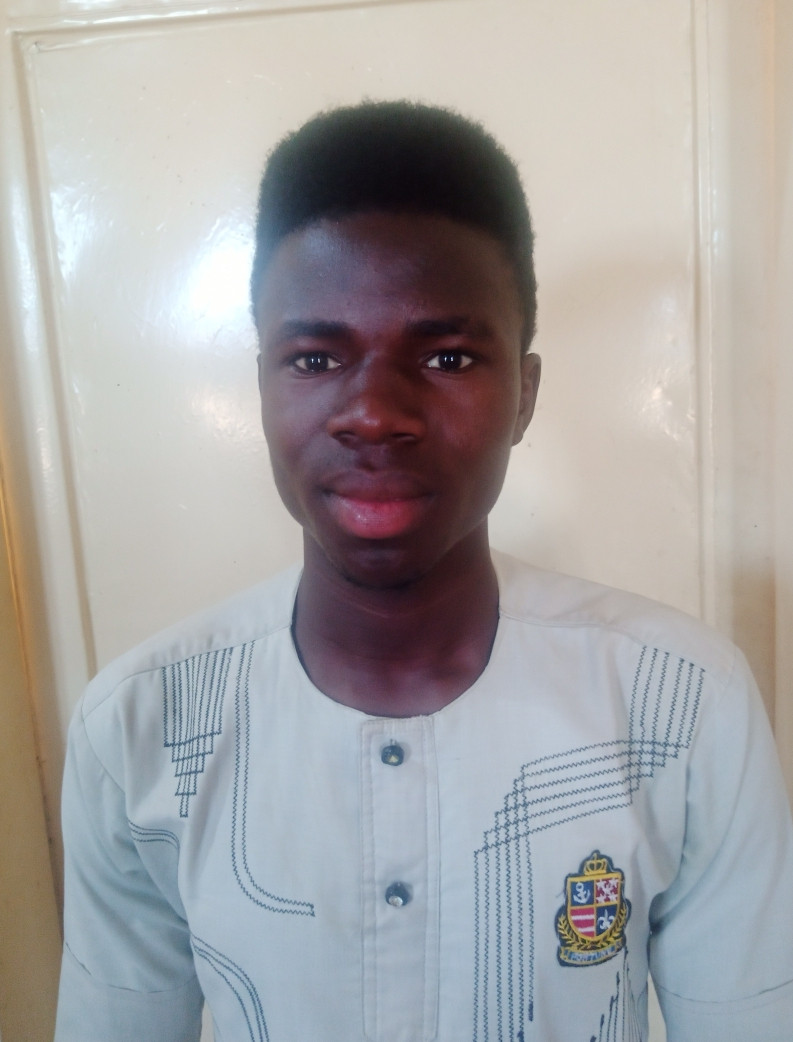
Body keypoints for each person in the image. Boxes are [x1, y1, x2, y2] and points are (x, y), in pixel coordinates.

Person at [55, 101, 793, 1042]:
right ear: (263, 387)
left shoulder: (682, 703)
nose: (373, 414)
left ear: (523, 394)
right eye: (314, 358)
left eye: (447, 356)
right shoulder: (140, 728)